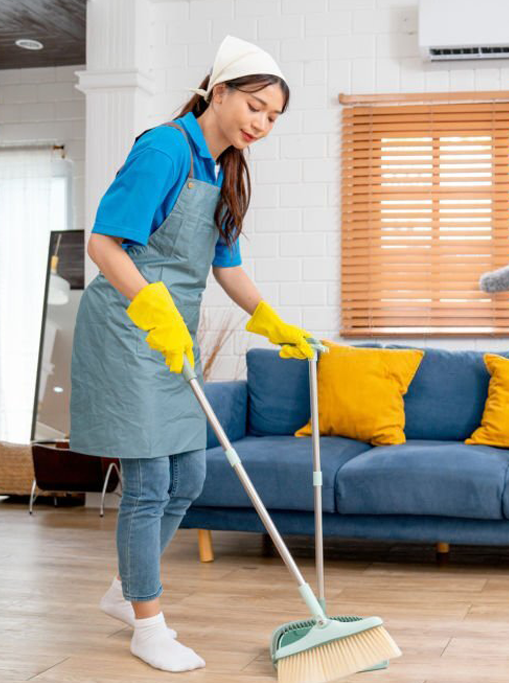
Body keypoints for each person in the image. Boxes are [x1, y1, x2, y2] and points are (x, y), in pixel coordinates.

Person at [69, 36, 314, 673]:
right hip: (129, 327)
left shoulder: (225, 166)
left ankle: (126, 591)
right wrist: (150, 306)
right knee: (149, 480)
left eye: (272, 117)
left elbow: (226, 267)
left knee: (191, 477)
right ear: (220, 90)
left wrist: (272, 321)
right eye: (255, 107)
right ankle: (148, 627)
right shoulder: (165, 148)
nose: (261, 124)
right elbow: (104, 244)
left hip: (172, 331)